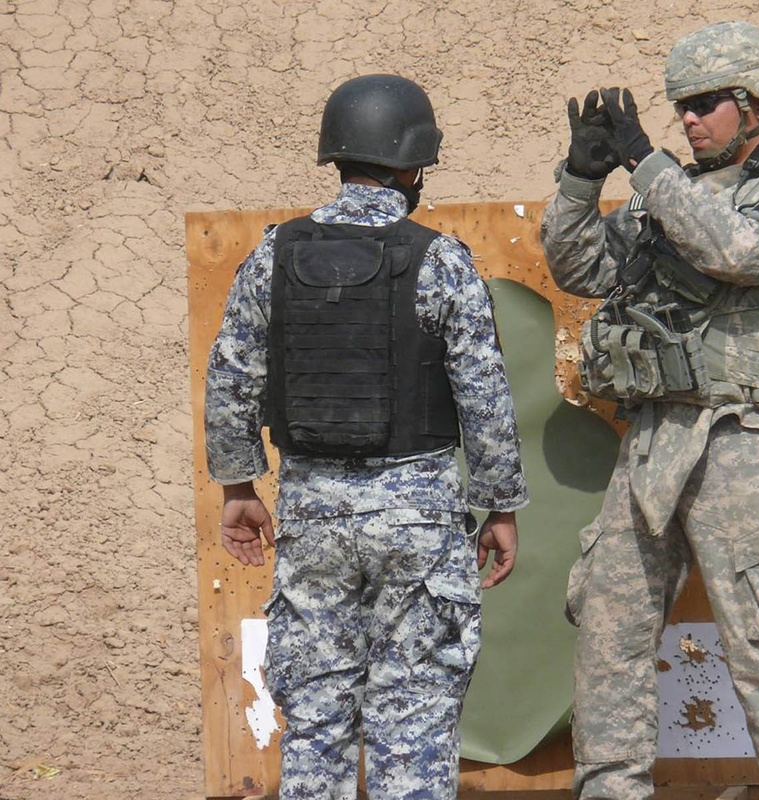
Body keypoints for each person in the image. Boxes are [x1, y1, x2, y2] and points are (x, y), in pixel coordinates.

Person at [540, 21, 759, 800]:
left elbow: (738, 253)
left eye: (705, 102)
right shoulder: (675, 195)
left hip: (748, 443)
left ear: (756, 104)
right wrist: (581, 184)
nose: (687, 118)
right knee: (610, 630)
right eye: (680, 104)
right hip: (657, 440)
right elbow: (581, 265)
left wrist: (647, 166)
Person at [205, 73, 528, 800]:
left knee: (316, 719)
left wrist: (237, 487)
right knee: (411, 720)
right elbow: (486, 397)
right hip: (418, 522)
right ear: (411, 164)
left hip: (313, 512)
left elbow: (230, 377)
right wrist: (501, 506)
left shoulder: (273, 255)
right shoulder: (439, 258)